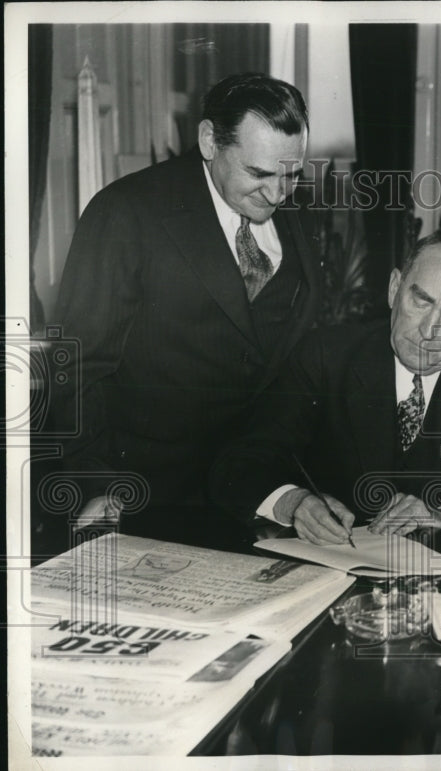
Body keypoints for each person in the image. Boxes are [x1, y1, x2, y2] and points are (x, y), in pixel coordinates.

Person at [48, 73, 321, 538]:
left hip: (257, 500)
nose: (278, 195)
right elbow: (76, 365)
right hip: (144, 501)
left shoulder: (297, 214)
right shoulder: (125, 212)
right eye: (258, 174)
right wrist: (92, 482)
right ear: (210, 141)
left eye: (291, 174)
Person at [210, 233, 441, 543]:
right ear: (393, 289)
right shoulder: (326, 357)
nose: (430, 330)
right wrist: (293, 502)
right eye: (421, 302)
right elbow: (240, 462)